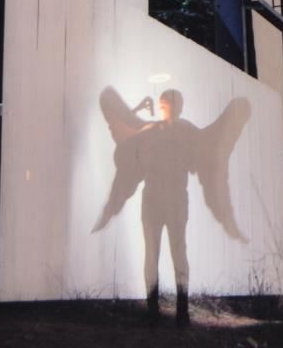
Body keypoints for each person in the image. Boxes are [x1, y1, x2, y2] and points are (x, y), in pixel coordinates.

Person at [93, 85, 250, 326]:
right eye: (164, 104)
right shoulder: (152, 131)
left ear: (178, 108)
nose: (166, 108)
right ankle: (154, 309)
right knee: (153, 253)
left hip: (175, 202)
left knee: (177, 252)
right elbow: (129, 149)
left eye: (170, 104)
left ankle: (181, 310)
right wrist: (135, 112)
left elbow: (208, 153)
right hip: (154, 201)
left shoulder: (187, 132)